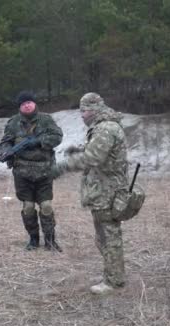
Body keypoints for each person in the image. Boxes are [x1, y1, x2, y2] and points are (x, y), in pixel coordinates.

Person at [52, 92, 128, 295]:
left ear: (94, 110)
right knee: (104, 236)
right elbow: (94, 152)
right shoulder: (102, 128)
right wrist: (77, 150)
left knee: (108, 236)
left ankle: (113, 282)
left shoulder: (106, 129)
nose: (82, 115)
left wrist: (63, 166)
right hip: (103, 190)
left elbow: (93, 158)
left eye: (84, 111)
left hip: (108, 191)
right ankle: (112, 276)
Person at [0, 91, 63, 251]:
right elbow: (6, 141)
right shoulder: (13, 123)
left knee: (46, 206)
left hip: (44, 171)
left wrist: (39, 142)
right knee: (27, 207)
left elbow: (57, 136)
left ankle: (50, 240)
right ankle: (33, 239)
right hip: (22, 173)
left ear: (34, 104)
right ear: (20, 107)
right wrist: (5, 152)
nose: (27, 105)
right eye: (23, 103)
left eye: (29, 102)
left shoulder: (46, 120)